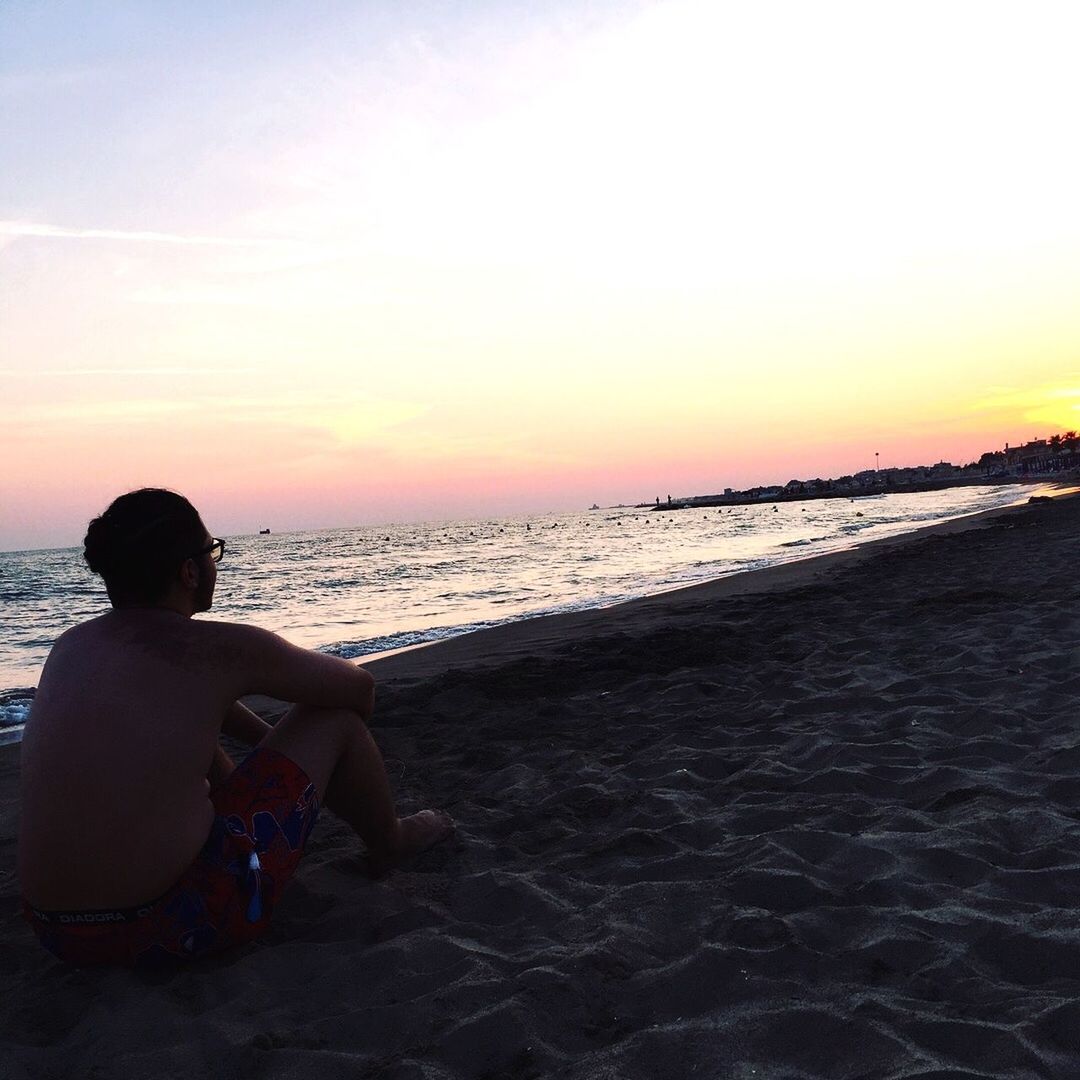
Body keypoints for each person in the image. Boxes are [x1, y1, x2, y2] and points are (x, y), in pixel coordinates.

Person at [18, 488, 453, 967]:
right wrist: (296, 744)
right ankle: (389, 841)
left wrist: (271, 752)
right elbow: (358, 691)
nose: (215, 563)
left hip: (58, 935)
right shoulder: (214, 649)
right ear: (189, 570)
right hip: (171, 925)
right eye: (212, 551)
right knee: (334, 720)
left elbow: (192, 712)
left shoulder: (70, 648)